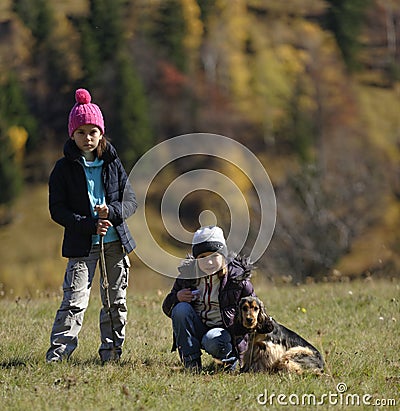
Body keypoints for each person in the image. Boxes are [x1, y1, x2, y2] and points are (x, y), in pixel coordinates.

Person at [46, 88, 137, 364]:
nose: (87, 138)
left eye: (93, 131)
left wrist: (112, 211)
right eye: (81, 132)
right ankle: (58, 356)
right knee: (75, 301)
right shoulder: (63, 169)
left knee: (115, 303)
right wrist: (87, 225)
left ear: (101, 133)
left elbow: (130, 200)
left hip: (115, 244)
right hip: (81, 245)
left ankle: (111, 355)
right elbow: (57, 210)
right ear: (72, 134)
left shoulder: (112, 163)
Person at [162, 225, 256, 372]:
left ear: (223, 256)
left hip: (225, 333)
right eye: (202, 257)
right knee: (180, 309)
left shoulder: (237, 280)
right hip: (199, 326)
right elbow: (167, 308)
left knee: (212, 338)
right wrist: (177, 297)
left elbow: (254, 311)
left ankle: (229, 361)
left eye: (214, 256)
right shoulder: (187, 276)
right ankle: (191, 363)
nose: (209, 262)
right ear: (196, 259)